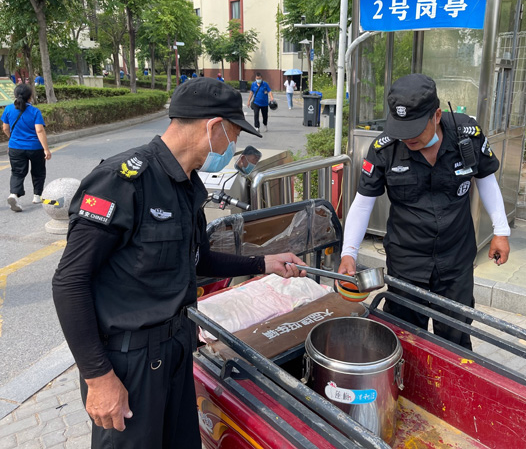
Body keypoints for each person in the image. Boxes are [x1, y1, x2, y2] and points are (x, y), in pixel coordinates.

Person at [51, 77, 307, 449]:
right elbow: (69, 282)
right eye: (233, 135)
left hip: (176, 349)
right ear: (214, 127)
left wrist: (264, 262)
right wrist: (98, 377)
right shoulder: (121, 182)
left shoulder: (187, 186)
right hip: (128, 364)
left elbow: (199, 258)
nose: (233, 146)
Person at [338, 73, 510, 350]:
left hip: (456, 256)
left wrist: (501, 231)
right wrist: (349, 253)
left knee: (455, 336)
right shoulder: (385, 148)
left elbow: (486, 179)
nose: (407, 137)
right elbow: (363, 202)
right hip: (406, 259)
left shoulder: (467, 134)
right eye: (401, 129)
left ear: (437, 116)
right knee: (405, 337)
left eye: (415, 129)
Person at [1, 83, 51, 212]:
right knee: (38, 171)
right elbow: (39, 130)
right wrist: (46, 149)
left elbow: (5, 128)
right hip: (35, 147)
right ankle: (37, 196)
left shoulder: (8, 109)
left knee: (17, 172)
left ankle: (14, 195)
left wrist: (12, 138)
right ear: (30, 97)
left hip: (15, 147)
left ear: (15, 95)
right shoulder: (35, 111)